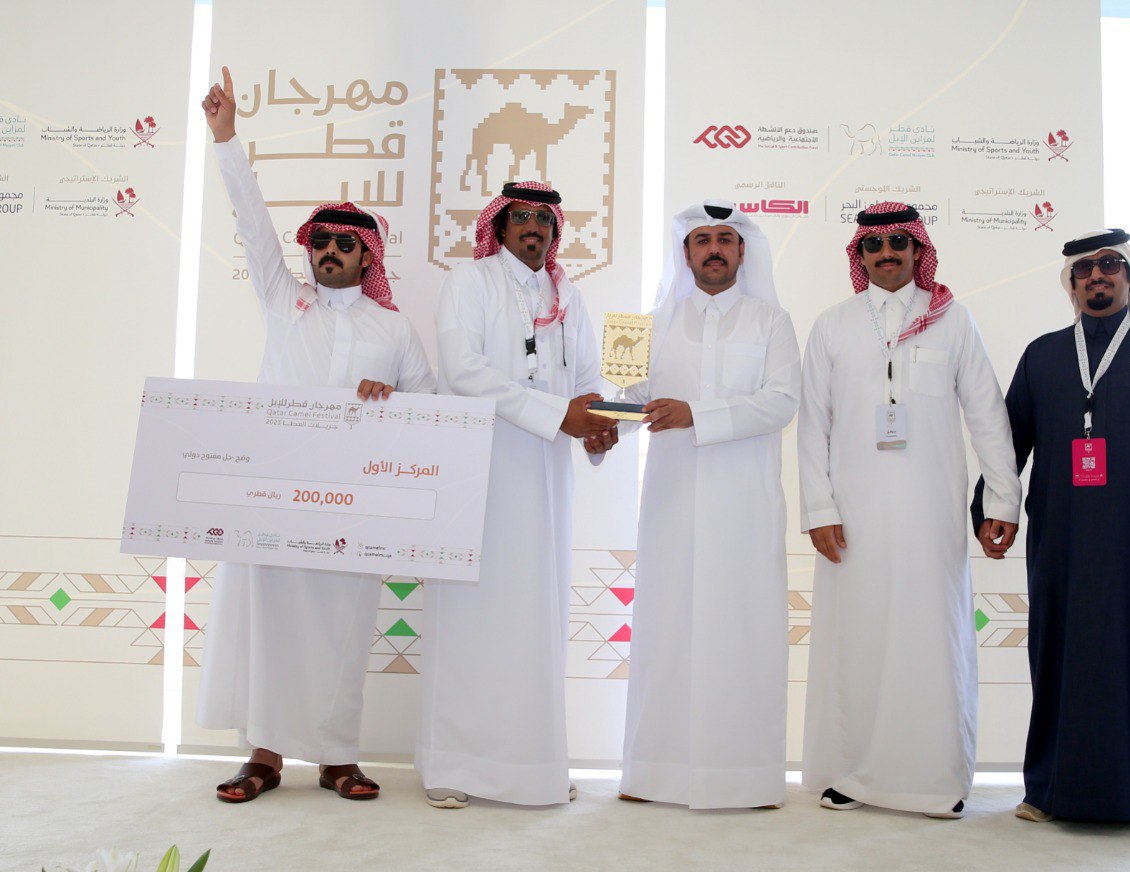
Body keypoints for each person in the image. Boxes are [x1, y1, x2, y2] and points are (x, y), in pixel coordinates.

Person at [197, 67, 436, 802]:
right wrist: (226, 139)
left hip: (351, 505)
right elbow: (250, 222)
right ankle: (263, 758)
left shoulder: (393, 328)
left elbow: (430, 408)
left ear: (368, 256)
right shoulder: (283, 301)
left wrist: (391, 401)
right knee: (269, 625)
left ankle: (338, 759)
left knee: (343, 624)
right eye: (321, 242)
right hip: (271, 494)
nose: (330, 251)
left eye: (345, 243)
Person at [972, 228, 1130, 837]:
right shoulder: (1043, 355)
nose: (1097, 276)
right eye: (1084, 270)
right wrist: (992, 508)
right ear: (1071, 286)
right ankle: (1052, 789)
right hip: (1064, 535)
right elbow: (1008, 442)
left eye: (1110, 265)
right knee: (1064, 654)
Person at [798, 201, 1021, 819]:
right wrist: (818, 507)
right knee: (859, 636)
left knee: (931, 637)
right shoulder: (834, 325)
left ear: (919, 250)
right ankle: (853, 773)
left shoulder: (952, 320)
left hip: (931, 512)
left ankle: (935, 779)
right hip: (853, 517)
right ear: (860, 255)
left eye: (899, 242)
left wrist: (1002, 500)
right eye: (874, 245)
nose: (887, 253)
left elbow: (987, 416)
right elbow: (813, 424)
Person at [416, 180, 616, 808]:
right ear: (499, 226)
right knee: (471, 616)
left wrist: (597, 426)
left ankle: (534, 764)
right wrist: (559, 414)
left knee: (535, 617)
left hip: (545, 476)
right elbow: (462, 371)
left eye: (544, 220)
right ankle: (453, 766)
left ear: (555, 231)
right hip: (479, 468)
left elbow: (587, 380)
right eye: (521, 217)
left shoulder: (568, 295)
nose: (534, 228)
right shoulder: (469, 282)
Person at [618, 201, 800, 809]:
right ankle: (655, 774)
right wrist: (601, 428)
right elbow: (631, 400)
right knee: (667, 627)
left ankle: (743, 778)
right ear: (686, 253)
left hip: (744, 504)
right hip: (672, 502)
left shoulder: (771, 321)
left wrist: (697, 414)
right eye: (703, 240)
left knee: (742, 631)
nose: (715, 249)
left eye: (725, 239)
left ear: (743, 251)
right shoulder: (652, 324)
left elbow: (781, 402)